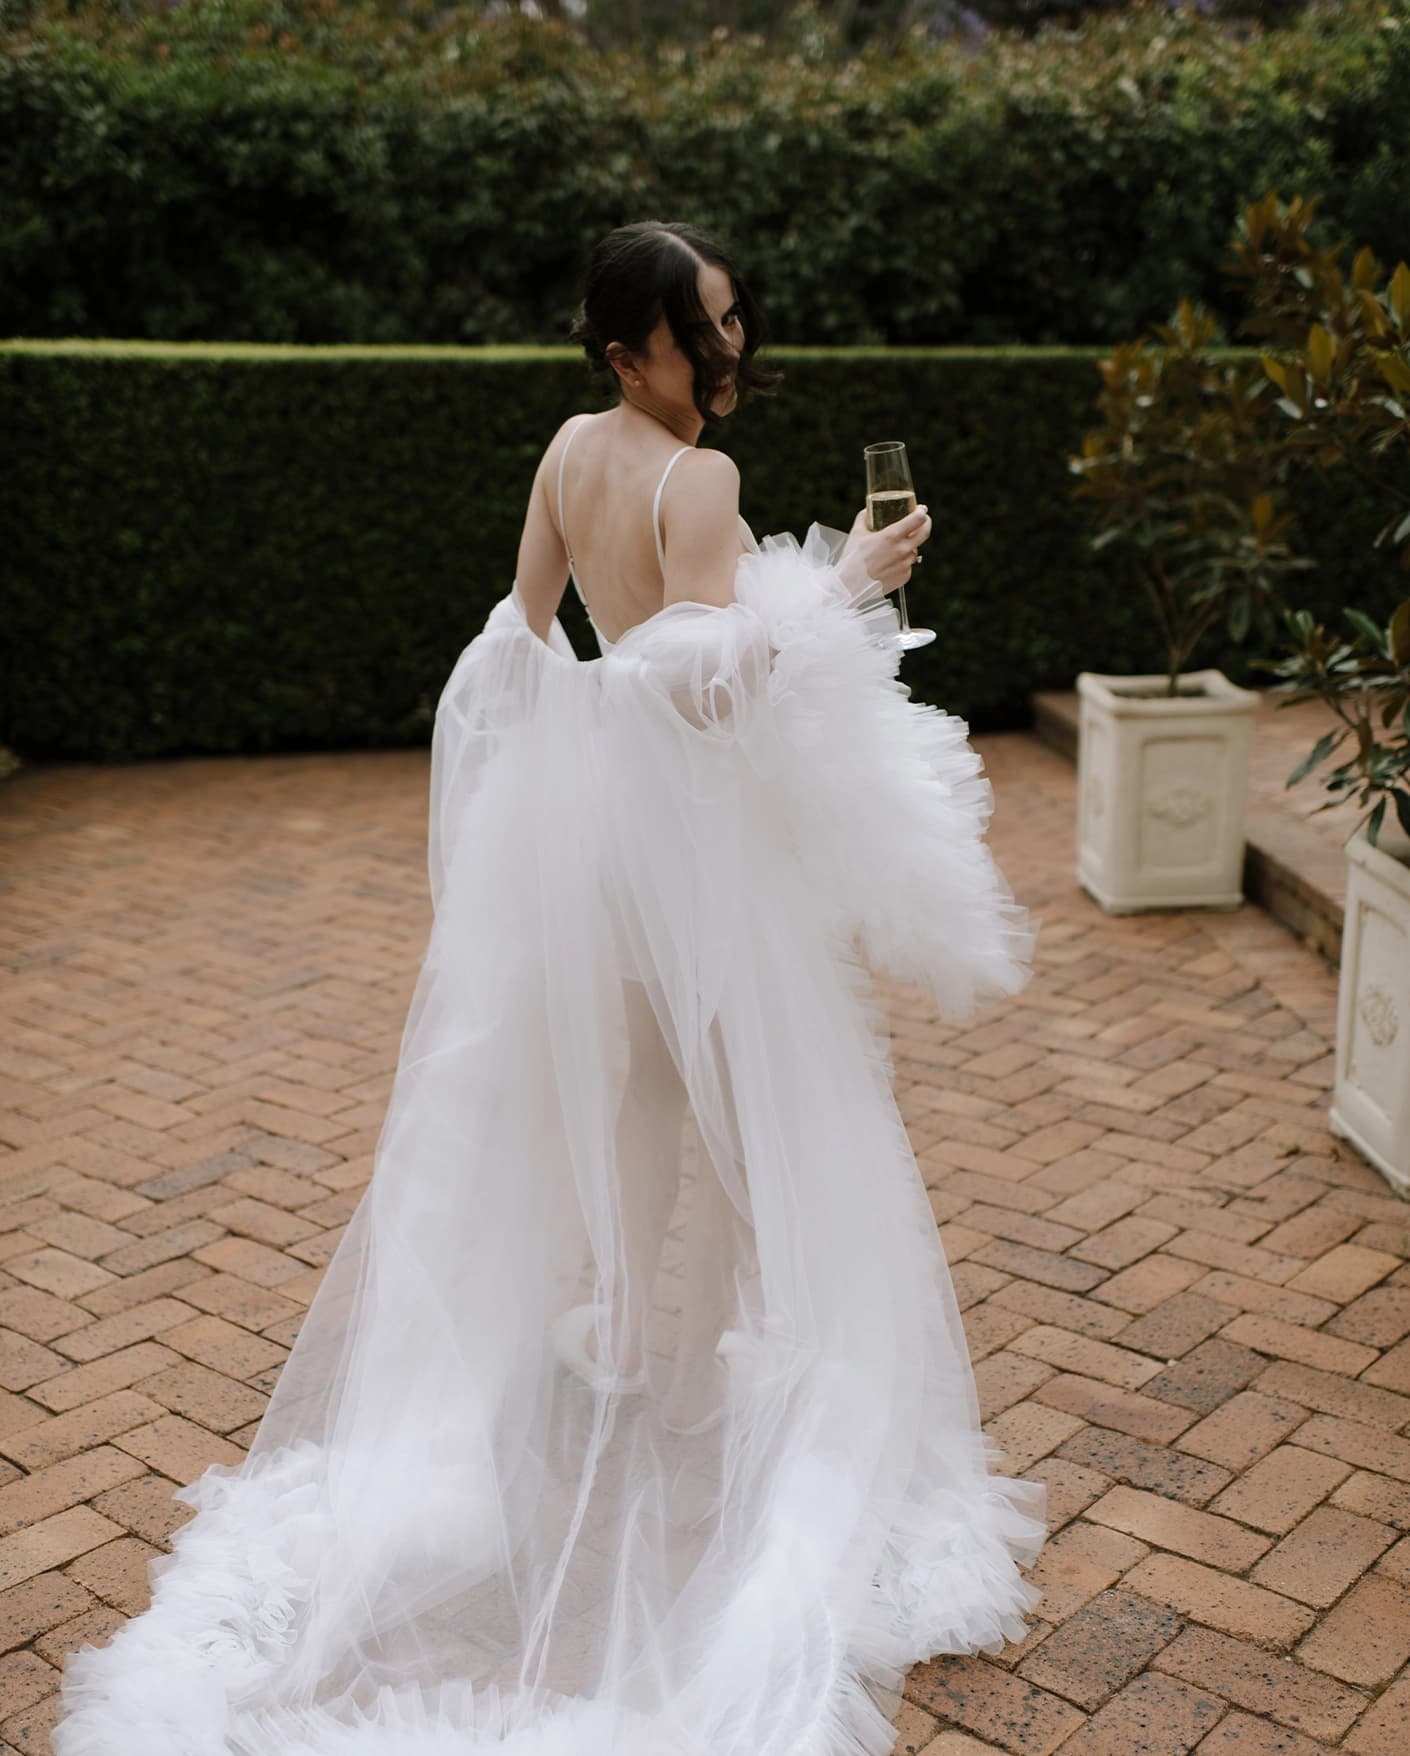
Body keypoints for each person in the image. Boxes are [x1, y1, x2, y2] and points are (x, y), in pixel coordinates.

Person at [52, 221, 1044, 1756]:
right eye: (700, 333)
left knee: (637, 1094)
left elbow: (522, 645)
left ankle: (646, 1351)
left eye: (730, 323)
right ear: (630, 348)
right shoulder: (696, 478)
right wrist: (844, 580)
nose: (726, 355)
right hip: (700, 860)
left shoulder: (568, 451)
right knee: (741, 1124)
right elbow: (711, 689)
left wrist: (537, 804)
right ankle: (706, 1400)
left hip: (588, 856)